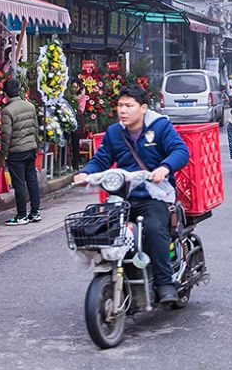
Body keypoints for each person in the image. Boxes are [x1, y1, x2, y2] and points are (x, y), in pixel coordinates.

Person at [73, 85, 190, 306]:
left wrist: (165, 167)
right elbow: (101, 159)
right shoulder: (114, 132)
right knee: (98, 228)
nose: (122, 111)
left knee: (154, 229)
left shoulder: (160, 126)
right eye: (120, 105)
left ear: (143, 108)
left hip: (153, 197)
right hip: (121, 198)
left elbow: (180, 151)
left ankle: (165, 283)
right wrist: (85, 173)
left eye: (129, 106)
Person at [0, 79, 41, 226]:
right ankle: (35, 212)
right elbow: (35, 128)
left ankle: (22, 215)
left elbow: (6, 135)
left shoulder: (7, 111)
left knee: (19, 184)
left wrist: (4, 153)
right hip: (30, 148)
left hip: (16, 151)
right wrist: (35, 144)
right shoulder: (30, 106)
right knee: (32, 180)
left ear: (5, 94)